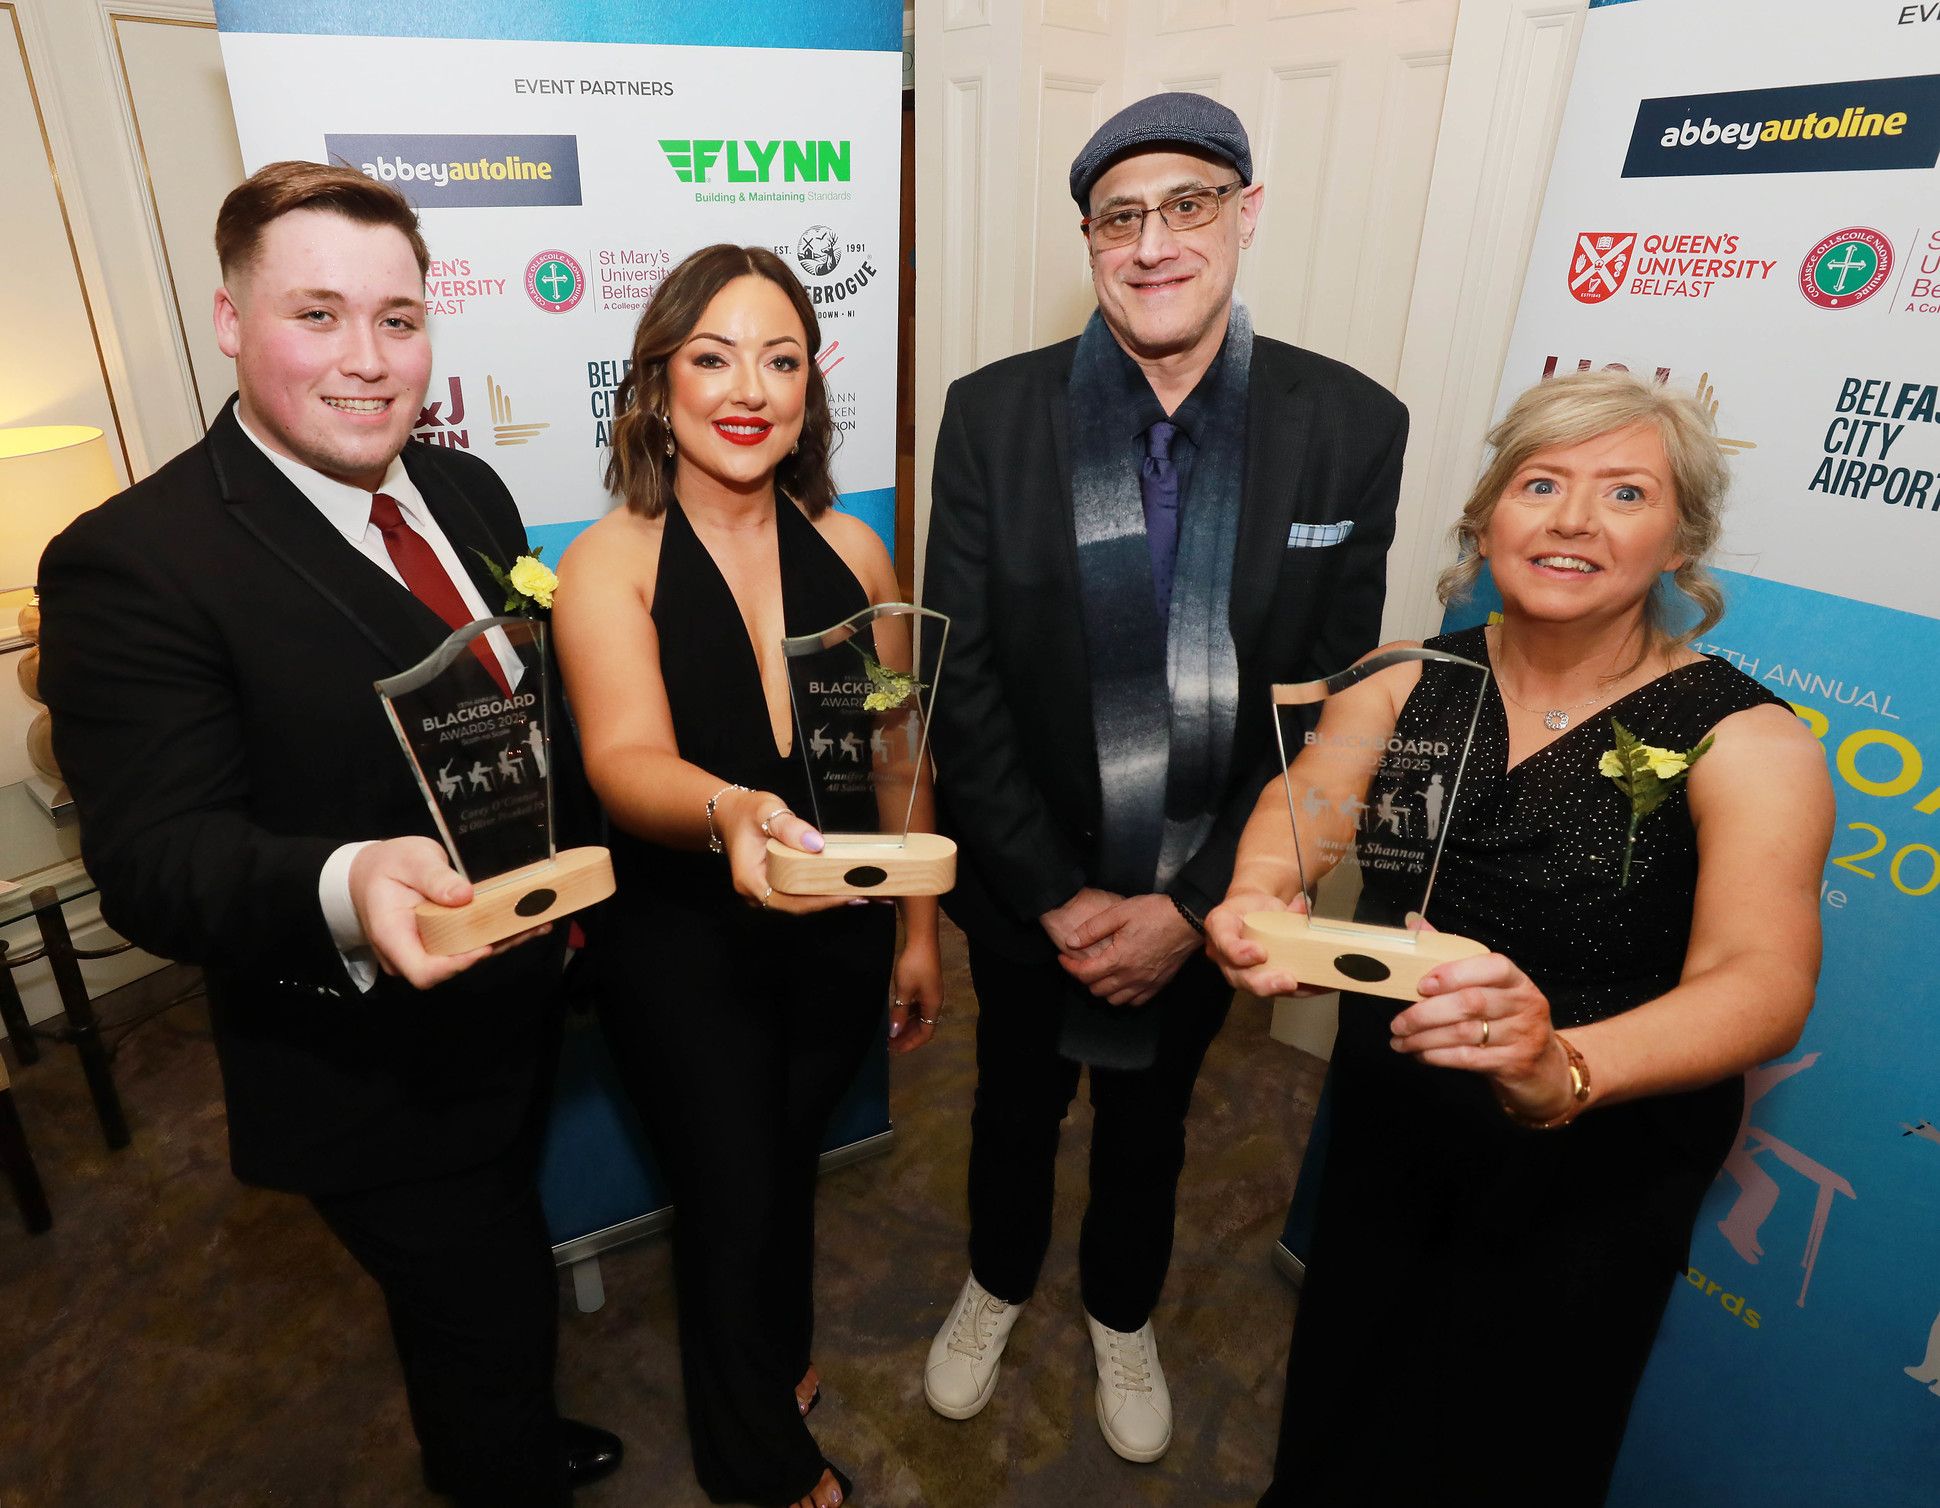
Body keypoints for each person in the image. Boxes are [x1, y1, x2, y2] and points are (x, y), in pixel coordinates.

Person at [36, 163, 621, 1504]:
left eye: (399, 320)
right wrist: (353, 881)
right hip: (371, 1070)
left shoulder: (467, 492)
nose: (369, 362)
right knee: (480, 1308)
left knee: (491, 1285)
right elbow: (153, 859)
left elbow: (519, 716)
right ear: (233, 321)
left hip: (519, 1004)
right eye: (318, 315)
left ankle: (512, 1431)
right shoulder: (136, 560)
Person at [1206, 370, 1834, 1503]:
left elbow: (1762, 980)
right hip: (1394, 1117)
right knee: (1348, 1387)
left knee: (1516, 1437)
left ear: (1680, 536)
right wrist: (1255, 896)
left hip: (1594, 1161)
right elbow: (1301, 814)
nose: (1571, 519)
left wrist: (1566, 1067)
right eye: (1539, 482)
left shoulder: (1746, 738)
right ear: (1487, 512)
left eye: (1624, 491)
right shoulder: (1403, 678)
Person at [919, 91, 1406, 1462]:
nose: (1152, 243)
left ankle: (1119, 1311)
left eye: (1187, 203)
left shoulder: (1351, 427)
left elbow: (1326, 707)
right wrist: (1056, 895)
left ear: (1247, 213)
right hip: (1034, 884)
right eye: (1118, 216)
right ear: (1089, 239)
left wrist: (1191, 902)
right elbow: (964, 682)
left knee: (1153, 1124)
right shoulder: (994, 416)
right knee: (1010, 1109)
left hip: (1211, 886)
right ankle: (998, 1281)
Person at [553, 244, 942, 1508]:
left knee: (777, 1165)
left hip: (834, 933)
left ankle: (773, 1358)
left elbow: (895, 746)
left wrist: (920, 929)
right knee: (725, 1192)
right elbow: (620, 761)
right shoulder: (609, 560)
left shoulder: (859, 550)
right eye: (712, 355)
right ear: (656, 384)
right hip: (679, 944)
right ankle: (757, 1467)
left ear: (809, 388)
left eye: (780, 359)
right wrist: (727, 807)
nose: (748, 386)